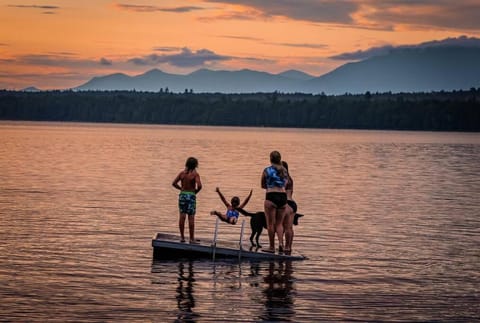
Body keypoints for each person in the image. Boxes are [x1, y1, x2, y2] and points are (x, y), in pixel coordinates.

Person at [261, 150, 288, 253]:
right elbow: (285, 184)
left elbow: (262, 184)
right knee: (279, 224)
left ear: (270, 159)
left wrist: (269, 185)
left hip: (271, 195)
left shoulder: (266, 170)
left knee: (270, 224)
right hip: (282, 196)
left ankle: (272, 247)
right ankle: (281, 244)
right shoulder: (284, 171)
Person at [172, 157, 202, 243]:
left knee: (182, 216)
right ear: (195, 165)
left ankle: (182, 238)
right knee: (191, 218)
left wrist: (181, 189)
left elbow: (174, 183)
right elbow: (199, 186)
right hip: (191, 196)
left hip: (183, 195)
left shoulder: (182, 173)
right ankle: (191, 239)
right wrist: (195, 192)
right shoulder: (195, 175)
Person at [282, 161, 296, 255]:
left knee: (286, 227)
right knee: (290, 227)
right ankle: (289, 247)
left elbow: (281, 192)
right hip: (293, 204)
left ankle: (286, 247)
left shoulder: (284, 179)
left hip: (286, 203)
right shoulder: (290, 179)